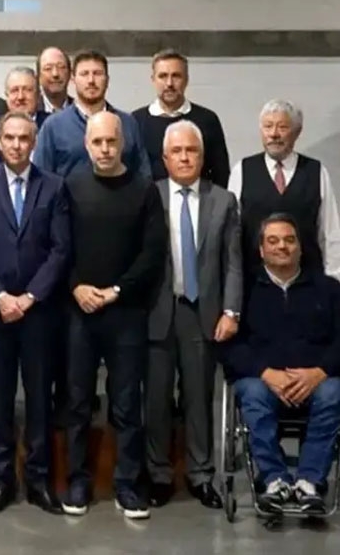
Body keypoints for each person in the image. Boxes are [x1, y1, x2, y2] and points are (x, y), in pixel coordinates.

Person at [62, 111, 166, 519]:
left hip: (125, 312)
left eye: (111, 142)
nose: (105, 149)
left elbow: (152, 252)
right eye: (97, 142)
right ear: (86, 145)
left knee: (125, 404)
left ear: (123, 143)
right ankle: (78, 481)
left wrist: (117, 291)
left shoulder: (144, 190)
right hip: (80, 311)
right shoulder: (71, 186)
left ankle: (127, 484)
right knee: (77, 403)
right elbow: (60, 246)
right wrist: (76, 286)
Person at [0, 113, 70, 515]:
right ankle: (1, 480)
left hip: (38, 313)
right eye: (9, 138)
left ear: (34, 142)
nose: (16, 145)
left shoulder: (55, 186)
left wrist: (30, 297)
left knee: (39, 400)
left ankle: (38, 480)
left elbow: (60, 250)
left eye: (23, 138)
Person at [145, 121, 242, 509]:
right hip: (157, 311)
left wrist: (231, 311)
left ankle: (201, 474)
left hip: (203, 313)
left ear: (202, 157)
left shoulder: (223, 200)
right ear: (165, 158)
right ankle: (158, 474)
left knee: (199, 399)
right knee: (155, 399)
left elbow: (233, 263)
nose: (185, 157)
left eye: (192, 151)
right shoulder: (149, 196)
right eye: (177, 151)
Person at [223, 213, 340, 514]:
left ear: (300, 247)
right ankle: (275, 480)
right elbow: (230, 346)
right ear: (261, 250)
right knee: (251, 392)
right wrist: (266, 373)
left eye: (289, 240)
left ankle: (309, 482)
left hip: (317, 380)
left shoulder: (328, 289)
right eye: (273, 241)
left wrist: (320, 372)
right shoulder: (243, 292)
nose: (282, 247)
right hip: (263, 380)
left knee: (333, 392)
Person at [228, 99, 340, 285]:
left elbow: (330, 234)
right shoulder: (242, 170)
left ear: (297, 132)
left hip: (309, 283)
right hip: (254, 285)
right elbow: (231, 235)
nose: (274, 134)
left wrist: (334, 281)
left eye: (282, 127)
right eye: (268, 126)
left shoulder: (316, 171)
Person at [33, 49, 151, 179]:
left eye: (97, 73)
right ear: (73, 79)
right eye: (84, 74)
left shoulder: (127, 123)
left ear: (107, 79)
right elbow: (40, 179)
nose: (91, 80)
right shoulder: (54, 126)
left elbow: (143, 176)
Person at [132, 49, 230, 186]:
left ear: (186, 79)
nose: (169, 83)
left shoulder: (207, 120)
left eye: (176, 76)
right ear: (153, 80)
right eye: (163, 76)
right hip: (149, 199)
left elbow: (221, 174)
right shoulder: (135, 121)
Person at [0, 68, 49, 135]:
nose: (20, 97)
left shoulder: (51, 124)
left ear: (38, 95)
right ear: (7, 95)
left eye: (27, 90)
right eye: (14, 90)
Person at [36, 47, 73, 115]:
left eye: (61, 67)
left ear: (70, 73)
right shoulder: (32, 111)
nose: (55, 74)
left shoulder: (80, 110)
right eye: (48, 68)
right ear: (38, 76)